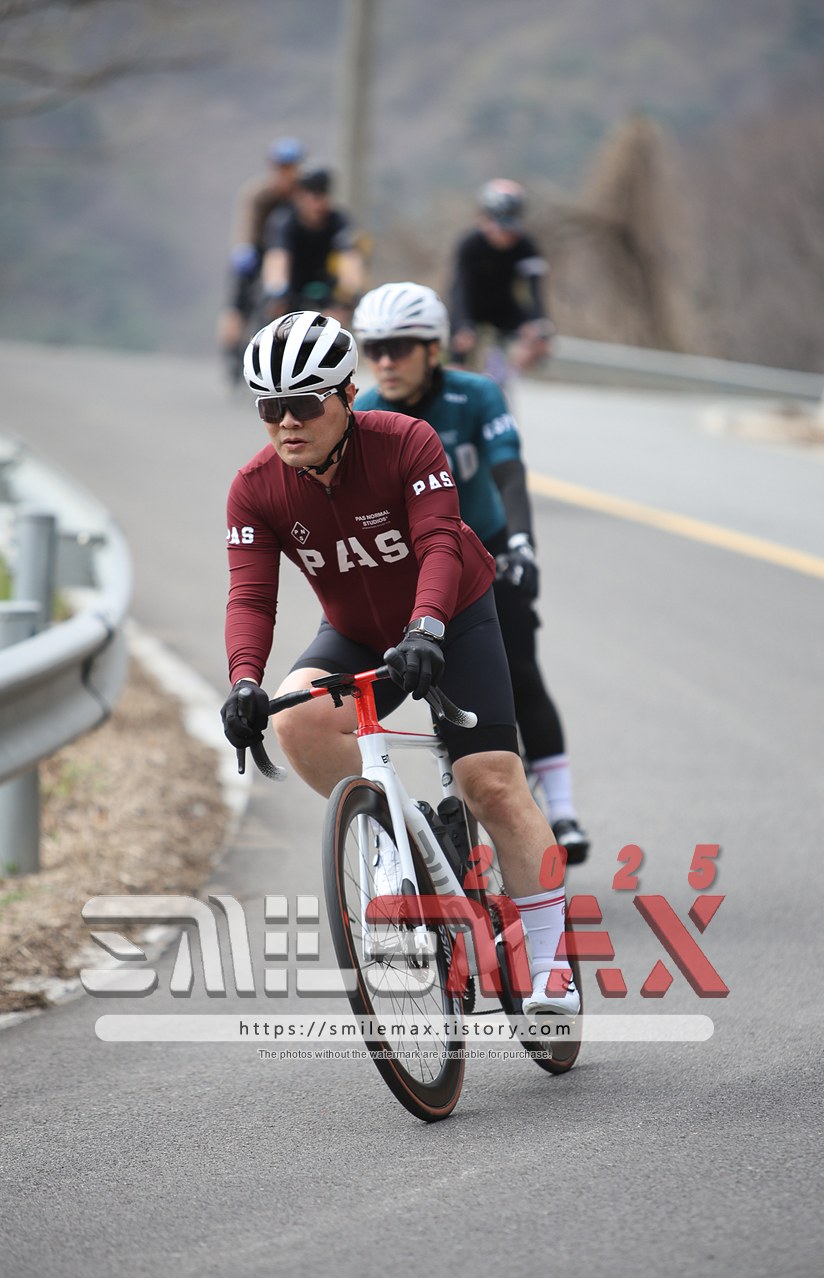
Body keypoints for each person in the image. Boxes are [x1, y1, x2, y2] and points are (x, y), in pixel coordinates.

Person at [221, 310, 578, 1017]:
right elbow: (251, 597)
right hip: (354, 631)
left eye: (304, 404)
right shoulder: (255, 488)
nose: (286, 422)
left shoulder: (406, 441)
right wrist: (244, 681)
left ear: (347, 397)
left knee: (491, 782)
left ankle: (552, 966)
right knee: (296, 720)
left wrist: (426, 629)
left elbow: (441, 541)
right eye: (269, 407)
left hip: (453, 617)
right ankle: (404, 835)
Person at [352, 282, 590, 863]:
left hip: (488, 549)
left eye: (400, 347)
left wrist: (522, 544)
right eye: (374, 348)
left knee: (522, 672)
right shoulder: (364, 413)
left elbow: (508, 471)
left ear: (433, 349)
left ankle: (561, 810)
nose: (385, 361)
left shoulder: (477, 393)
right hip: (420, 565)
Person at [449, 179, 553, 383]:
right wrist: (463, 325)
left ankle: (505, 377)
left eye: (512, 227)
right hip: (471, 306)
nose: (507, 235)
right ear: (485, 220)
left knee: (542, 339)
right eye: (501, 226)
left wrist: (538, 324)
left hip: (504, 308)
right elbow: (460, 288)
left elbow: (535, 290)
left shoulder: (526, 246)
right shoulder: (470, 244)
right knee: (460, 347)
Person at [219, 137, 307, 376]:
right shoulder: (258, 193)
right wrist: (243, 249)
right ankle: (230, 348)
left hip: (284, 256)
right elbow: (245, 226)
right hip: (255, 253)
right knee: (238, 302)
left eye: (291, 167)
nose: (287, 173)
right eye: (282, 167)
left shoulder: (300, 195)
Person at [259, 164, 363, 324]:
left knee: (340, 316)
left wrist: (349, 294)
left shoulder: (339, 221)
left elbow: (349, 258)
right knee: (275, 310)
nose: (321, 202)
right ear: (299, 196)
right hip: (291, 285)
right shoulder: (284, 220)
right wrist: (277, 291)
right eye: (315, 195)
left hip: (325, 286)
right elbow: (277, 258)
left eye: (325, 194)